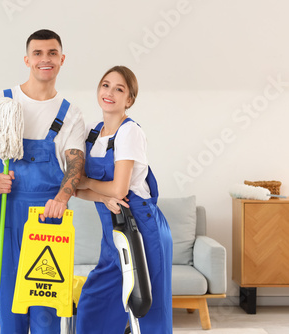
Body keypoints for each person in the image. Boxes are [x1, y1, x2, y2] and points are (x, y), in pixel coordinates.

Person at [0, 29, 85, 333]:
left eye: (51, 53)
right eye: (37, 53)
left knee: (46, 308)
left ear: (62, 59)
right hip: (6, 213)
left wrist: (61, 199)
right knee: (10, 306)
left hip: (48, 217)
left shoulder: (70, 114)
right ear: (27, 59)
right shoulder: (1, 101)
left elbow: (75, 164)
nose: (44, 59)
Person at [74, 66, 173, 333]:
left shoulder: (129, 132)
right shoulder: (92, 134)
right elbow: (75, 189)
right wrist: (99, 196)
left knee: (148, 308)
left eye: (120, 89)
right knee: (94, 302)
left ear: (129, 100)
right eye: (106, 85)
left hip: (141, 228)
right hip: (112, 231)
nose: (110, 93)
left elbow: (119, 190)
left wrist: (87, 184)